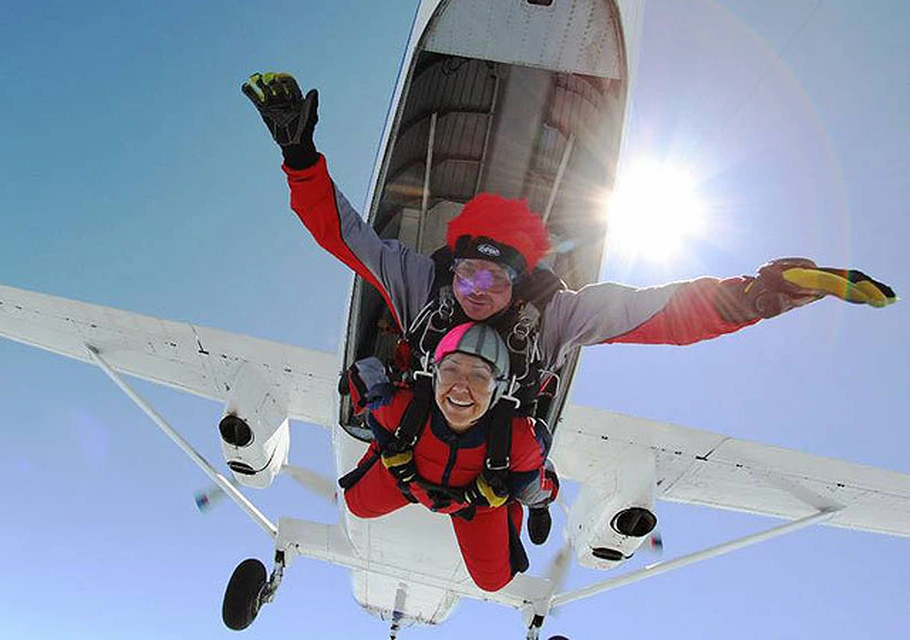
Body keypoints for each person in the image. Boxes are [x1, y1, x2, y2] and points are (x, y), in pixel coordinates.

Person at [241, 71, 896, 546]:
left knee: (496, 558)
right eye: (466, 271)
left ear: (522, 282)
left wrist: (759, 295)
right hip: (424, 423)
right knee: (366, 503)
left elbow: (663, 312)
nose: (475, 290)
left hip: (494, 455)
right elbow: (345, 237)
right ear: (451, 264)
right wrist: (299, 155)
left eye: (494, 278)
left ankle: (523, 502)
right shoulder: (422, 282)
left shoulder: (556, 317)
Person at [339, 322, 558, 592]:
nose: (460, 388)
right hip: (410, 480)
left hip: (476, 504)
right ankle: (386, 456)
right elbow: (370, 387)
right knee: (355, 504)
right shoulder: (402, 410)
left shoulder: (518, 442)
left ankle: (506, 506)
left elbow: (535, 486)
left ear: (499, 389)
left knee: (493, 581)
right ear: (434, 375)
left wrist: (523, 499)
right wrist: (388, 447)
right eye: (450, 370)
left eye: (479, 377)